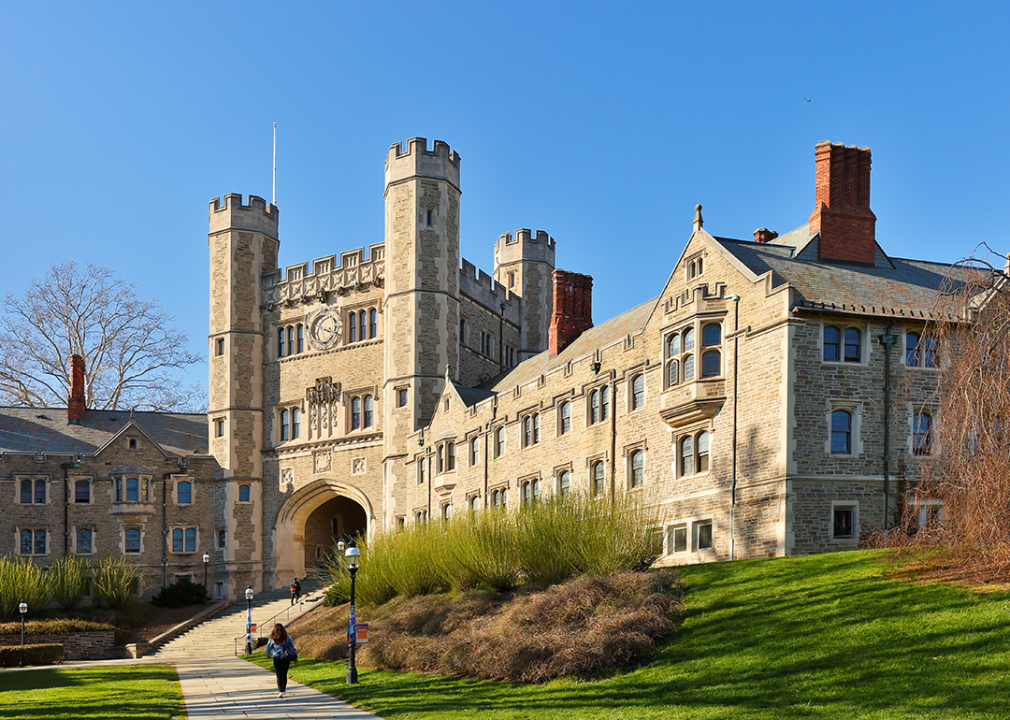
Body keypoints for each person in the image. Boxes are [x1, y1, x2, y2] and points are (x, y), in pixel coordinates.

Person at [265, 623, 298, 698]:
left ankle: (280, 691)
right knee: (284, 673)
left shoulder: (272, 639)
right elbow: (293, 647)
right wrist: (295, 658)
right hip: (286, 657)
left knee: (279, 674)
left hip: (277, 658)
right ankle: (283, 689)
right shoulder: (287, 638)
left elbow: (268, 648)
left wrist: (268, 655)